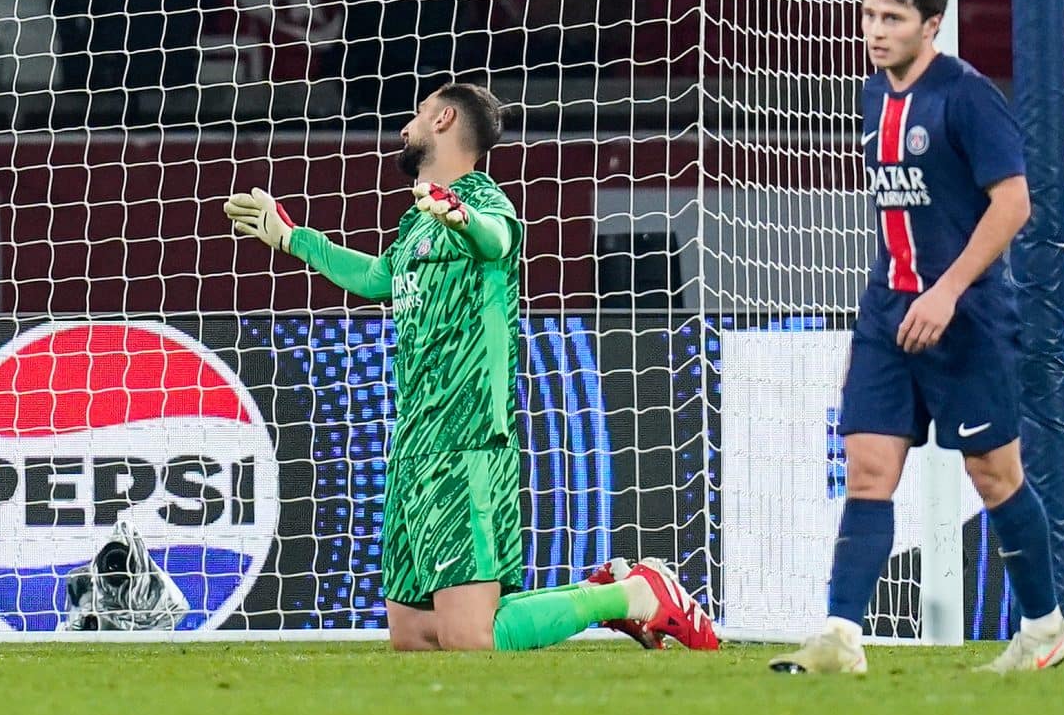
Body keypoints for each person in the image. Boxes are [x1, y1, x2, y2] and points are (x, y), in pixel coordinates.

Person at [221, 83, 717, 653]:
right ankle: (599, 590)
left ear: (445, 119)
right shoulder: (417, 223)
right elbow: (377, 279)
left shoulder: (486, 203)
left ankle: (635, 595)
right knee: (413, 636)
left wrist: (463, 216)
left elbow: (496, 239)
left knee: (470, 638)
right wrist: (293, 239)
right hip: (414, 444)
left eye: (417, 112)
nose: (406, 125)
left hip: (468, 437)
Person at [770, 0, 1064, 677]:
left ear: (931, 23)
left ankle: (1045, 627)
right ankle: (842, 634)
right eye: (869, 14)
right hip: (888, 311)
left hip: (965, 315)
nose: (875, 31)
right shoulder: (873, 93)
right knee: (868, 468)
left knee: (994, 474)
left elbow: (1015, 203)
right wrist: (908, 293)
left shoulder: (966, 96)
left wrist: (948, 290)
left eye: (893, 18)